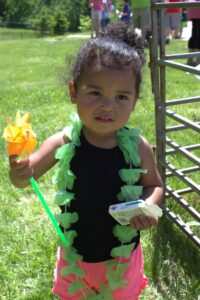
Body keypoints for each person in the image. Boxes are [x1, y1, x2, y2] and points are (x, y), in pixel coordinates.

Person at [8, 22, 163, 299]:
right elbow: (24, 179)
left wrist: (148, 205)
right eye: (95, 93)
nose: (108, 105)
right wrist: (19, 172)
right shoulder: (64, 141)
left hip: (121, 259)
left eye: (121, 97)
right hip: (75, 258)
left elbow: (155, 186)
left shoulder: (138, 147)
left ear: (135, 100)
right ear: (73, 91)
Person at [187, 0, 200, 66]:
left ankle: (190, 59)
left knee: (194, 34)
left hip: (193, 9)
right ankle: (198, 60)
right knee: (198, 36)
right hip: (197, 8)